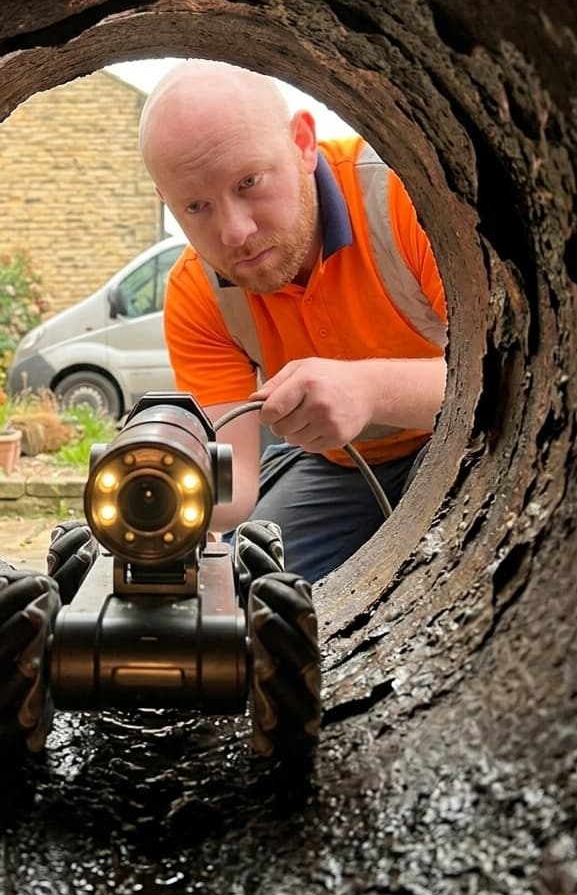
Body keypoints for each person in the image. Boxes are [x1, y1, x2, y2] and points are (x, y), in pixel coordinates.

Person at [138, 59, 448, 584]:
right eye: (196, 206)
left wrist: (369, 389)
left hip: (460, 445)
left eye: (249, 182)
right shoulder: (198, 291)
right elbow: (230, 481)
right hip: (341, 471)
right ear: (166, 204)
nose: (234, 232)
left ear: (303, 142)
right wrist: (161, 498)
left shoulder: (407, 199)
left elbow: (514, 380)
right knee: (247, 583)